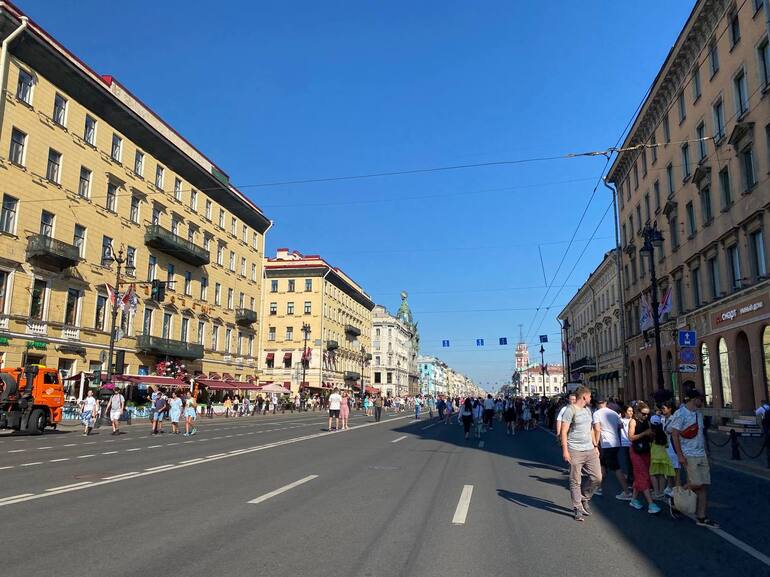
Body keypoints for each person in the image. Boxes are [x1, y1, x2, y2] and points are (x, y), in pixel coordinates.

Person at [669, 388, 718, 527]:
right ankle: (675, 497)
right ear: (693, 399)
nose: (702, 401)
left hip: (701, 453)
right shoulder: (681, 413)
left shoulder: (698, 414)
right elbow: (674, 434)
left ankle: (702, 517)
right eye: (700, 399)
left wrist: (707, 452)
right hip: (688, 454)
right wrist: (680, 455)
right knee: (696, 482)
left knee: (703, 485)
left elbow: (701, 435)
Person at [559, 386, 602, 522]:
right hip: (575, 449)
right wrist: (565, 450)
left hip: (590, 449)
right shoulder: (570, 410)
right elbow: (564, 431)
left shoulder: (588, 410)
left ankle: (584, 497)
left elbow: (590, 429)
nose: (591, 398)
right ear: (584, 397)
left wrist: (595, 445)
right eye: (589, 396)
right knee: (575, 480)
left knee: (597, 477)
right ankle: (577, 507)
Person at [627, 402, 660, 514]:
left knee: (641, 475)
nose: (646, 416)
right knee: (643, 475)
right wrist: (644, 433)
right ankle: (651, 504)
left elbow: (650, 435)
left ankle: (634, 499)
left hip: (645, 450)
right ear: (637, 412)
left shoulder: (647, 422)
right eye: (644, 414)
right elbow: (631, 437)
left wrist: (652, 434)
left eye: (648, 414)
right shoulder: (633, 421)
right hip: (636, 451)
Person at [649, 414, 675, 499]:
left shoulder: (651, 434)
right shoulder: (663, 433)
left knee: (652, 474)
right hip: (664, 456)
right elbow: (667, 445)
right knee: (662, 474)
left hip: (654, 456)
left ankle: (656, 492)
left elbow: (649, 444)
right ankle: (661, 492)